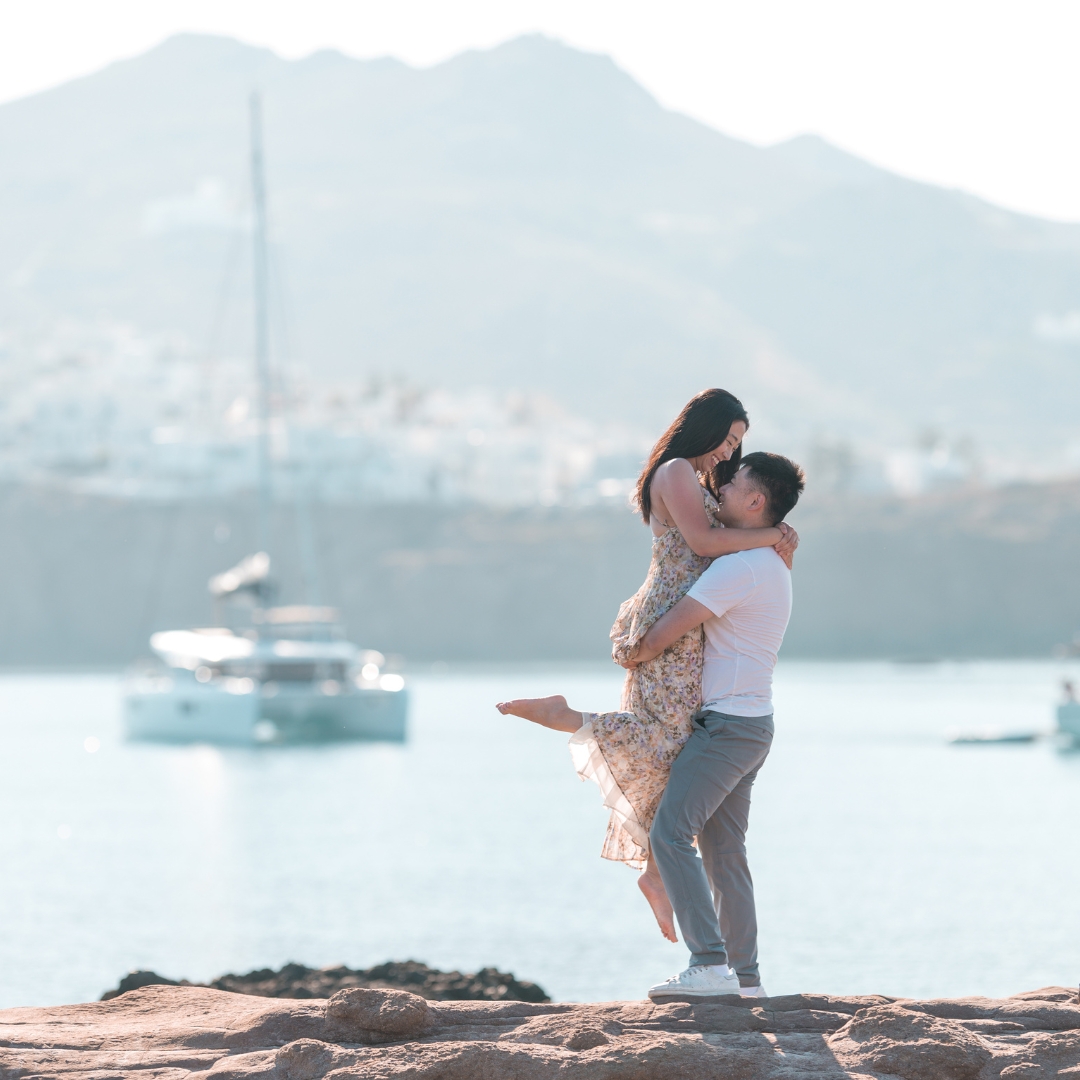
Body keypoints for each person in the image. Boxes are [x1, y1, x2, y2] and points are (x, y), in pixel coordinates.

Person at [495, 389, 798, 943]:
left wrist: (770, 542)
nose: (727, 457)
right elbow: (704, 541)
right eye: (727, 441)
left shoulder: (700, 480)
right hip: (672, 615)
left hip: (695, 619)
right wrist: (773, 534)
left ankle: (656, 872)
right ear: (702, 428)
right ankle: (571, 718)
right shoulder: (678, 469)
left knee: (679, 747)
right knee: (665, 738)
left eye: (737, 447)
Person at [630, 451, 805, 1001]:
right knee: (725, 852)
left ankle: (708, 965)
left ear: (755, 501)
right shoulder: (770, 562)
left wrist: (631, 650)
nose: (719, 490)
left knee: (670, 833)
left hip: (726, 727)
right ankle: (745, 979)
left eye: (733, 485)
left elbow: (666, 631)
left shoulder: (740, 566)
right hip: (753, 727)